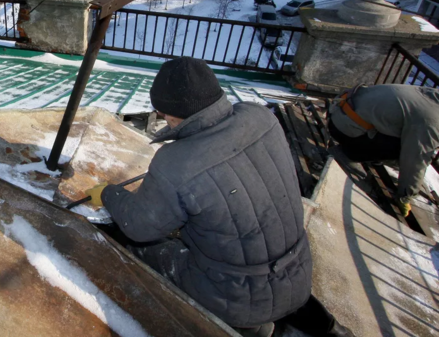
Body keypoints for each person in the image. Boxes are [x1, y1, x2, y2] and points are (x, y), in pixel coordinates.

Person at [85, 57, 312, 336]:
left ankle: (241, 328)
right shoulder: (260, 116)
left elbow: (140, 226)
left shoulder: (176, 162)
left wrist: (109, 194)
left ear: (168, 114)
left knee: (133, 245)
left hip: (233, 298)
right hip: (298, 275)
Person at [328, 84, 439, 218]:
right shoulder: (432, 120)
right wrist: (405, 196)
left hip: (339, 112)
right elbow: (415, 160)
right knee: (407, 149)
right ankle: (348, 154)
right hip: (344, 128)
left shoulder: (429, 95)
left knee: (408, 141)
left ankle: (364, 152)